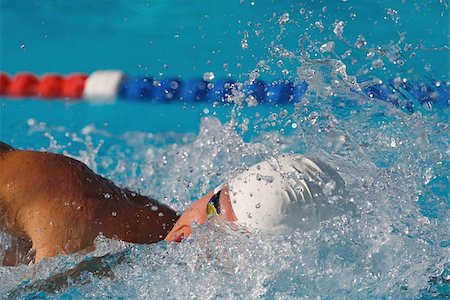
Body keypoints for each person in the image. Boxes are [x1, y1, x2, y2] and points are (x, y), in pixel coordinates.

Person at [0, 141, 349, 266]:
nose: (190, 236)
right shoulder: (152, 229)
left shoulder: (63, 195)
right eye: (214, 209)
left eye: (231, 243)